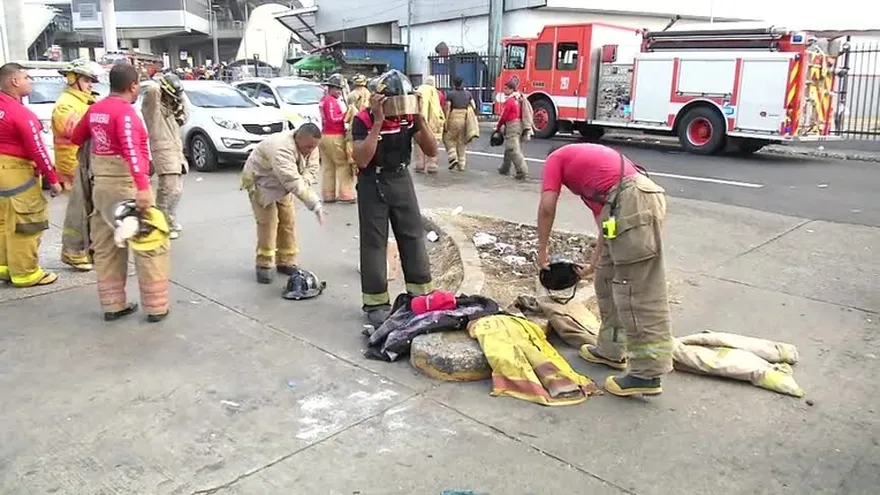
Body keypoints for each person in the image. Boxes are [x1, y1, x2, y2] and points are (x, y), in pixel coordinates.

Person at [536, 143, 673, 397]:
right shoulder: (596, 177)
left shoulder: (556, 157)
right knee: (605, 277)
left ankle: (647, 374)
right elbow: (605, 227)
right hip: (626, 204)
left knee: (636, 289)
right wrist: (592, 264)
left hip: (634, 200)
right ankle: (611, 350)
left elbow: (547, 207)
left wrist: (542, 250)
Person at [70, 63, 171, 323]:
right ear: (133, 86)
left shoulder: (96, 109)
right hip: (125, 186)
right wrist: (143, 187)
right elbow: (131, 152)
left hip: (101, 187)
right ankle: (156, 307)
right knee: (149, 242)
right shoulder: (125, 114)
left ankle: (113, 305)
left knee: (106, 246)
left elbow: (76, 137)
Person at [351, 70, 437, 326]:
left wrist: (419, 116)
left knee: (412, 235)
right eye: (394, 103)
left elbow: (431, 150)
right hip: (372, 181)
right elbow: (362, 159)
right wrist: (378, 122)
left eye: (403, 101)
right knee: (374, 242)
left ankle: (420, 293)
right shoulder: (363, 120)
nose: (398, 109)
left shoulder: (408, 119)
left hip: (400, 177)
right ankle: (376, 302)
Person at [0, 62, 64, 287]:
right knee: (26, 223)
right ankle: (26, 273)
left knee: (3, 222)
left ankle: (4, 267)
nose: (31, 81)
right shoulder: (20, 114)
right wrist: (53, 179)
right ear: (14, 81)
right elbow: (38, 150)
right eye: (27, 77)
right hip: (16, 173)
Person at [240, 123, 327, 284]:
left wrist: (304, 182)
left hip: (283, 185)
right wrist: (315, 204)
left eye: (314, 147)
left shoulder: (311, 145)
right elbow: (292, 180)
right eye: (308, 147)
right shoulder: (281, 148)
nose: (310, 151)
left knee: (288, 220)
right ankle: (264, 263)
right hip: (261, 182)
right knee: (268, 222)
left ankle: (286, 260)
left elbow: (312, 169)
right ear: (298, 138)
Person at [142, 73, 188, 239]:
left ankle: (169, 221)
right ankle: (162, 224)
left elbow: (184, 117)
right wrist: (163, 83)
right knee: (167, 191)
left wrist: (180, 96)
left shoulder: (172, 108)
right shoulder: (153, 106)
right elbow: (153, 91)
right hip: (163, 152)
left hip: (175, 152)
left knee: (176, 191)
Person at [53, 59, 105, 192]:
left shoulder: (84, 101)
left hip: (84, 163)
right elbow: (75, 130)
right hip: (73, 166)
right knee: (80, 204)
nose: (90, 85)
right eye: (86, 81)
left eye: (91, 81)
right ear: (72, 79)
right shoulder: (65, 104)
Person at [319, 73, 355, 203]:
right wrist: (346, 115)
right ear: (331, 88)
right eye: (337, 89)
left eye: (340, 89)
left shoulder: (324, 100)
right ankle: (346, 194)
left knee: (328, 167)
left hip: (325, 135)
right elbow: (333, 118)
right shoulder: (331, 101)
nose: (339, 91)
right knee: (343, 165)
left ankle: (328, 194)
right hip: (334, 136)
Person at [413, 75, 445, 174]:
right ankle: (432, 165)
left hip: (421, 119)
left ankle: (420, 164)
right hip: (434, 120)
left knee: (419, 142)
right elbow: (441, 106)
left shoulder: (419, 91)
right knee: (433, 140)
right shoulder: (438, 93)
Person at [496, 80, 528, 180]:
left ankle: (522, 171)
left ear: (511, 89)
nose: (504, 90)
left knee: (513, 149)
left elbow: (504, 115)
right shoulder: (517, 99)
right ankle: (504, 168)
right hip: (518, 124)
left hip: (512, 125)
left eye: (506, 88)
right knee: (509, 148)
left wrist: (498, 126)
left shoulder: (510, 101)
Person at [442, 76, 475, 171]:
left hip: (454, 118)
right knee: (462, 142)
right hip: (464, 119)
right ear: (462, 83)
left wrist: (446, 122)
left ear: (454, 84)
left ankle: (453, 158)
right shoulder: (468, 94)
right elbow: (474, 106)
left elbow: (447, 109)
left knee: (448, 139)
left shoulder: (450, 94)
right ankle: (461, 165)